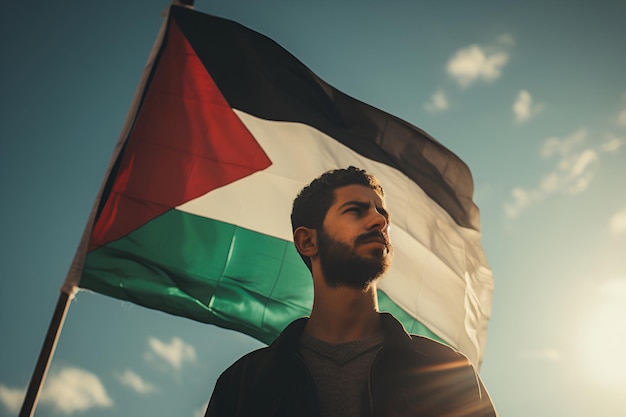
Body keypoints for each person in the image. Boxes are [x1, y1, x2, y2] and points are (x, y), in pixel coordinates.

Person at [206, 166, 497, 417]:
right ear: (307, 241)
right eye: (355, 211)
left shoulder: (448, 371)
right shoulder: (243, 384)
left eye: (382, 213)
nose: (379, 221)